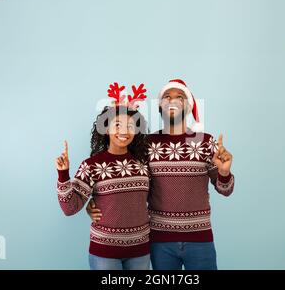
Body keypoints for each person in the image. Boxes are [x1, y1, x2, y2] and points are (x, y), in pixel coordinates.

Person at [87, 79, 235, 270]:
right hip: (159, 241)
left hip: (200, 239)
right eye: (167, 97)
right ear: (159, 107)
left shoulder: (206, 142)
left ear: (189, 106)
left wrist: (224, 173)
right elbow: (121, 177)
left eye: (179, 97)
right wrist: (95, 203)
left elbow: (226, 190)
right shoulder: (145, 145)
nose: (172, 101)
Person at [56, 83, 151, 270]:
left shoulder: (144, 164)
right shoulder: (92, 165)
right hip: (105, 252)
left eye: (130, 126)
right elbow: (70, 208)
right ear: (106, 128)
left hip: (140, 250)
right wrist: (63, 174)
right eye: (117, 125)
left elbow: (157, 198)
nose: (124, 131)